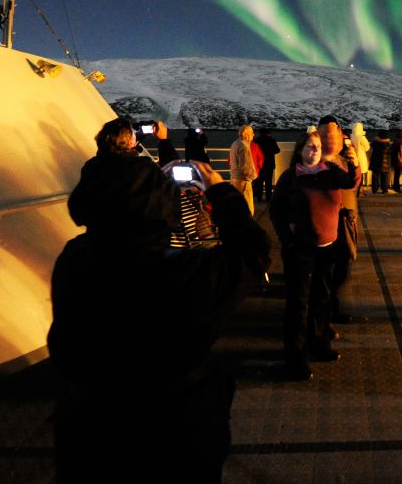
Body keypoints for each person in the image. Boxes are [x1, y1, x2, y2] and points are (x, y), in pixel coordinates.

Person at [47, 117, 271, 483]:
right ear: (158, 206)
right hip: (175, 433)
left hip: (88, 428)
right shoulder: (185, 274)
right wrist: (218, 190)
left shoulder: (74, 259)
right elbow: (254, 253)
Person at [270, 130, 358, 381]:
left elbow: (350, 182)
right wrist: (287, 240)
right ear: (300, 150)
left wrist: (353, 160)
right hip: (300, 251)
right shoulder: (290, 178)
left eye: (317, 146)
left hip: (328, 248)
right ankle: (295, 357)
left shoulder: (329, 172)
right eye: (309, 146)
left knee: (322, 297)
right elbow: (276, 212)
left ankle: (318, 342)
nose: (314, 150)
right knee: (298, 303)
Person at [317, 115, 362, 326]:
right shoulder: (313, 160)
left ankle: (330, 308)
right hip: (325, 224)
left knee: (342, 267)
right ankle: (324, 316)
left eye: (334, 134)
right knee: (326, 272)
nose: (330, 139)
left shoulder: (343, 159)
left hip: (345, 220)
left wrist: (356, 164)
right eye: (325, 135)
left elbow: (353, 185)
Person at [229, 124, 257, 213]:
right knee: (247, 209)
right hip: (243, 182)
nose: (253, 135)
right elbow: (245, 167)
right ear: (245, 134)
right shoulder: (243, 146)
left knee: (237, 207)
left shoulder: (235, 144)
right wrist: (253, 176)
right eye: (252, 133)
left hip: (235, 179)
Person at [253, 128, 281, 202]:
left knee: (259, 182)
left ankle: (259, 198)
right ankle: (268, 198)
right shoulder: (271, 140)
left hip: (259, 165)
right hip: (270, 165)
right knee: (268, 182)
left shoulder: (256, 141)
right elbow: (277, 150)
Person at [349, 122, 371, 193]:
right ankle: (359, 191)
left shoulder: (351, 137)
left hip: (352, 157)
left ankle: (353, 191)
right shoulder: (362, 137)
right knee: (360, 175)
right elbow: (367, 147)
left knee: (353, 174)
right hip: (361, 158)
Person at [369, 130, 391, 194]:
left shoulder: (375, 143)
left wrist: (376, 139)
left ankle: (374, 190)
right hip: (385, 162)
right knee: (384, 177)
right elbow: (390, 152)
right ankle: (384, 189)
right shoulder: (387, 144)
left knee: (375, 177)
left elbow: (371, 145)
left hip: (375, 162)